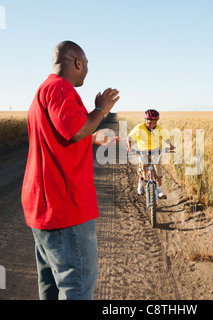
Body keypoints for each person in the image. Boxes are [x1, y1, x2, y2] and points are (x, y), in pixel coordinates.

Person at [21, 40, 120, 300]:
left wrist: (95, 137)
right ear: (77, 62)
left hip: (44, 208)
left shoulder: (43, 90)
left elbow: (61, 136)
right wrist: (101, 109)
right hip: (65, 208)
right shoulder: (60, 87)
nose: (87, 69)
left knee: (52, 286)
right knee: (77, 285)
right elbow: (76, 130)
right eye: (86, 64)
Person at [127, 109, 174, 199]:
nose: (152, 125)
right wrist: (129, 147)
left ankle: (160, 189)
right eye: (149, 123)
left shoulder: (159, 129)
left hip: (155, 150)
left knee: (157, 167)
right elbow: (129, 137)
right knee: (143, 165)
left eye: (154, 123)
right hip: (143, 150)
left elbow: (166, 138)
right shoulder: (139, 127)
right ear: (145, 121)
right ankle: (141, 183)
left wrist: (169, 144)